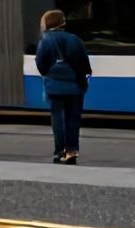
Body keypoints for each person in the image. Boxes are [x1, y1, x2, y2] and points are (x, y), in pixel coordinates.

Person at [35, 9, 92, 165]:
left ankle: (59, 152)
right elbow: (85, 64)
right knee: (73, 119)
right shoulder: (75, 40)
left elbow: (41, 64)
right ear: (62, 23)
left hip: (54, 86)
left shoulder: (45, 41)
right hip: (75, 87)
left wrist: (50, 74)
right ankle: (72, 150)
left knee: (58, 119)